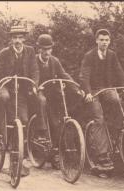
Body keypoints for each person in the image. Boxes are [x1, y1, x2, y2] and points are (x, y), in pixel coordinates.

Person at [0, 25, 40, 176]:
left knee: (23, 120)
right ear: (11, 39)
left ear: (24, 38)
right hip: (6, 86)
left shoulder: (30, 51)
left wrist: (34, 85)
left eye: (20, 37)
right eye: (14, 38)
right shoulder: (4, 53)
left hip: (21, 91)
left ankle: (18, 158)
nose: (17, 41)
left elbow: (35, 70)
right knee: (4, 98)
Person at [79, 29, 124, 172]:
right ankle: (102, 156)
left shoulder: (112, 55)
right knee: (98, 118)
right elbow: (84, 76)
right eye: (101, 40)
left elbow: (120, 73)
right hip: (94, 91)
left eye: (107, 40)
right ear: (96, 41)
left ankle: (117, 139)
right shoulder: (89, 56)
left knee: (117, 102)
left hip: (107, 89)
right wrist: (87, 92)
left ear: (109, 41)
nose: (104, 43)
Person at [35, 34, 83, 169]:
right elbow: (31, 76)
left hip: (53, 95)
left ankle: (59, 152)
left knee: (60, 120)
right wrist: (37, 86)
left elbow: (64, 75)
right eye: (43, 49)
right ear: (38, 49)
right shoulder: (33, 61)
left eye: (49, 49)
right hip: (38, 94)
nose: (46, 52)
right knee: (45, 106)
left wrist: (76, 88)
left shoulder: (54, 61)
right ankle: (45, 138)